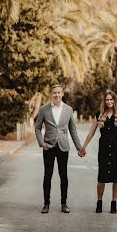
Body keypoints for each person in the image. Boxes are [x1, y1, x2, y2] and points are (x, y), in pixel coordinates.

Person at [35, 84, 83, 214]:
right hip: (48, 147)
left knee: (64, 176)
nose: (57, 95)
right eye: (54, 93)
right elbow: (37, 128)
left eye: (59, 92)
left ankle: (64, 204)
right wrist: (42, 143)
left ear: (62, 94)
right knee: (48, 175)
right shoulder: (44, 109)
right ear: (51, 94)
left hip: (63, 147)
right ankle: (46, 204)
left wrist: (79, 147)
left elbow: (73, 130)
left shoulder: (68, 110)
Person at [79, 90, 117, 214]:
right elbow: (91, 133)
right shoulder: (99, 115)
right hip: (104, 148)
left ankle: (113, 203)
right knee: (102, 177)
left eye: (111, 99)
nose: (109, 102)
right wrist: (83, 147)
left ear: (115, 101)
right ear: (104, 101)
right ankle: (99, 202)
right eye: (107, 99)